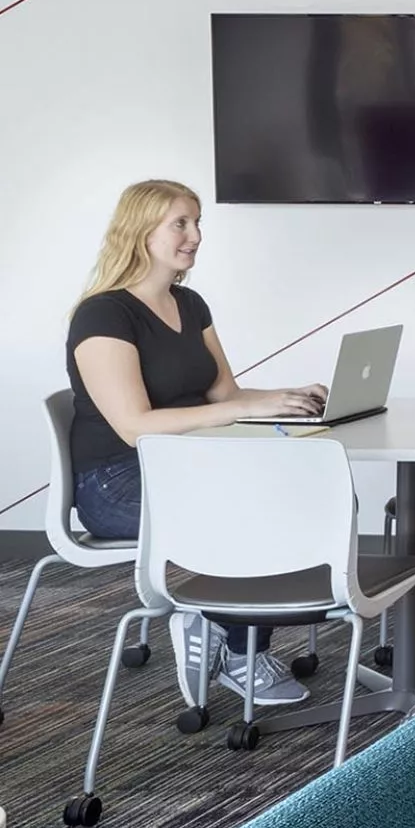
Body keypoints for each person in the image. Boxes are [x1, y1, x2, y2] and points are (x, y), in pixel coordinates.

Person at [65, 180, 328, 706]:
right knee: (246, 510)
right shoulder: (104, 315)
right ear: (140, 232)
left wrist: (285, 396)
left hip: (189, 464)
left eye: (197, 221)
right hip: (117, 479)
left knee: (301, 496)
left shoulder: (189, 302)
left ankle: (221, 630)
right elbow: (135, 426)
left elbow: (224, 393)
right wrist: (245, 409)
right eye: (180, 224)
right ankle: (232, 646)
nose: (196, 235)